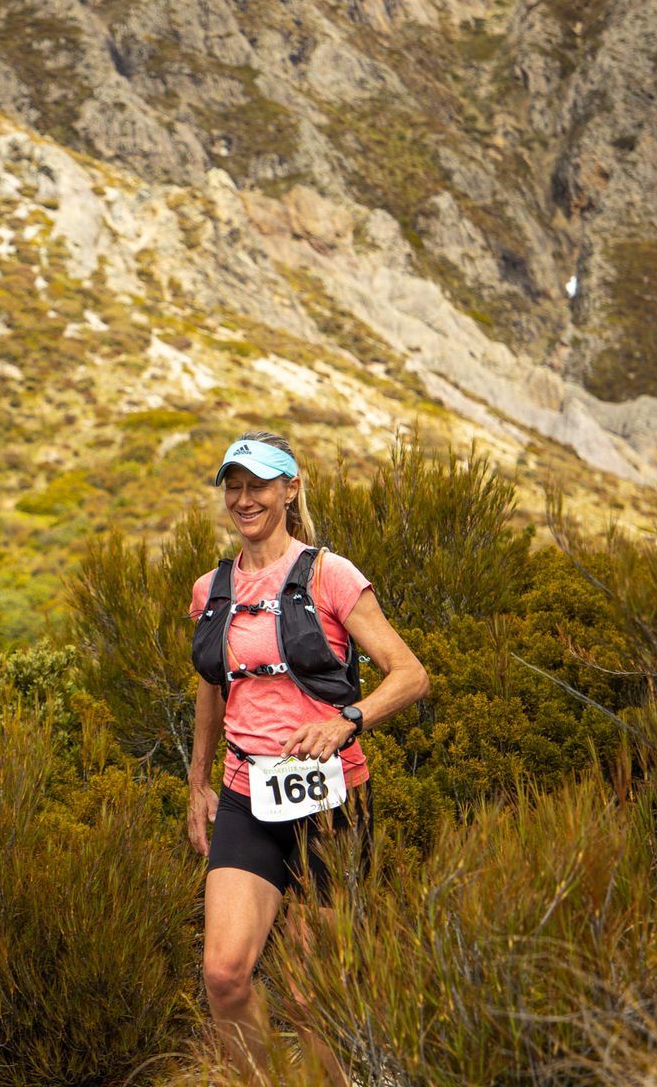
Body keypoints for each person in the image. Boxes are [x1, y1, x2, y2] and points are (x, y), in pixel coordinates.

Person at [187, 431, 430, 1084]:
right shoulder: (210, 587)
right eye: (233, 486)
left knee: (309, 992)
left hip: (331, 800)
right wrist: (197, 784)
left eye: (258, 485)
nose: (243, 499)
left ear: (290, 489)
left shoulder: (331, 575)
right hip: (245, 794)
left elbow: (411, 675)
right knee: (225, 975)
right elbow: (213, 689)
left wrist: (347, 720)